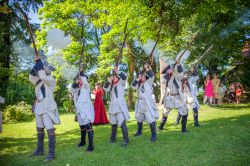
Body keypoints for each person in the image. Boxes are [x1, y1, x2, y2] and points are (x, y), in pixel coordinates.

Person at [29, 57, 60, 163]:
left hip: (47, 107)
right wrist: (35, 66)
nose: (47, 69)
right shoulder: (39, 80)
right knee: (39, 128)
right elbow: (31, 78)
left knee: (50, 129)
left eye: (48, 68)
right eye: (46, 67)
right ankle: (39, 150)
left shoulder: (51, 79)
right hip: (38, 106)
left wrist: (39, 64)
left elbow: (42, 75)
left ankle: (51, 154)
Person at [159, 60, 188, 133]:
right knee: (165, 113)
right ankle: (160, 127)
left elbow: (181, 73)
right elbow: (163, 81)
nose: (171, 70)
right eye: (169, 69)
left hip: (178, 98)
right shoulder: (166, 78)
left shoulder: (177, 76)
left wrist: (178, 64)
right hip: (170, 98)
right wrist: (168, 74)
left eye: (171, 69)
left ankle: (183, 130)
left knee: (184, 112)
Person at [103, 66, 130, 146]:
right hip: (112, 107)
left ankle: (126, 139)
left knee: (122, 123)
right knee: (113, 124)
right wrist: (109, 81)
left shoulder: (121, 82)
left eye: (114, 76)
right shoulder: (111, 86)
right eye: (112, 76)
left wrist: (117, 71)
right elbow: (105, 88)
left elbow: (124, 77)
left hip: (120, 106)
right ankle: (113, 138)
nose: (113, 78)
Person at [131, 64, 159, 141]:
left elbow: (152, 75)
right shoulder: (138, 85)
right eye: (141, 76)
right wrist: (137, 79)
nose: (142, 77)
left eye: (143, 76)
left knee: (151, 119)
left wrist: (146, 68)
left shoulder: (149, 82)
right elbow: (132, 86)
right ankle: (139, 131)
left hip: (147, 104)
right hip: (140, 104)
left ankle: (154, 135)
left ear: (145, 77)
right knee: (139, 119)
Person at [70, 70, 94, 152]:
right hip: (79, 109)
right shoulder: (77, 88)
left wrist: (81, 73)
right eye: (78, 78)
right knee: (82, 126)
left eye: (80, 78)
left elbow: (84, 80)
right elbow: (70, 90)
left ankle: (91, 145)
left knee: (87, 125)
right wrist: (75, 82)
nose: (79, 79)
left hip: (86, 109)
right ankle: (83, 141)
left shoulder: (86, 86)